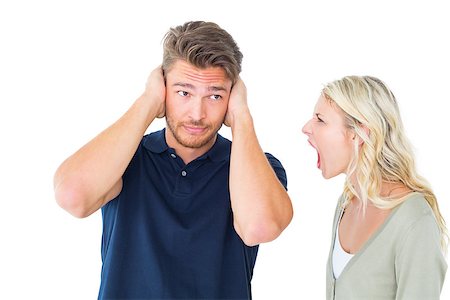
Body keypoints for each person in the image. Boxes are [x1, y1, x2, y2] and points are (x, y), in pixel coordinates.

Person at [53, 21, 293, 299]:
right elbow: (72, 197)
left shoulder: (259, 167)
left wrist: (242, 118)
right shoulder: (126, 158)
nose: (197, 113)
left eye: (215, 95)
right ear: (163, 87)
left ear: (232, 97)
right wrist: (147, 101)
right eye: (183, 92)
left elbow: (258, 228)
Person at [302, 75, 448, 299]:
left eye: (320, 120)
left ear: (359, 133)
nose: (306, 128)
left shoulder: (414, 219)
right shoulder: (346, 204)